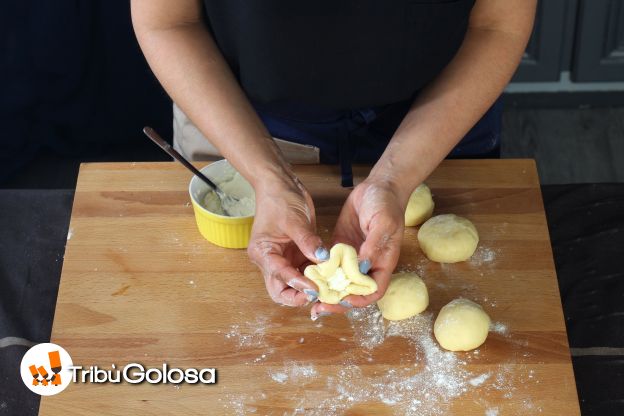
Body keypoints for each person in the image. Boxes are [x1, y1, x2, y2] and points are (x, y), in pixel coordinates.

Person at [131, 0, 536, 319]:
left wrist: (395, 180)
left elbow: (497, 25)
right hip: (239, 115)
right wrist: (267, 178)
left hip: (444, 114)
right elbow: (168, 21)